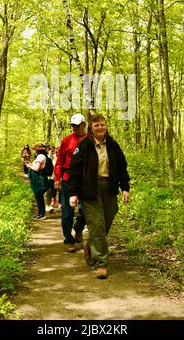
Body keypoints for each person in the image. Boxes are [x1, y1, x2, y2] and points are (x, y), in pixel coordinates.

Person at [68, 113, 130, 279]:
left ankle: (91, 245)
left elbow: (122, 167)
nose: (100, 127)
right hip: (89, 191)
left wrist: (125, 188)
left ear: (106, 126)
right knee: (96, 224)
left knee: (107, 220)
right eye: (96, 125)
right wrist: (73, 193)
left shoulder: (113, 145)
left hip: (109, 188)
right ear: (91, 128)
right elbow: (74, 170)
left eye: (102, 124)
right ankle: (101, 263)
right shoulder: (84, 146)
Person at [54, 113, 87, 253]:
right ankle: (68, 239)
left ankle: (78, 228)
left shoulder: (89, 140)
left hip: (85, 179)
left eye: (77, 125)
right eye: (73, 125)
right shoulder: (67, 140)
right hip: (68, 178)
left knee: (85, 209)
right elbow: (59, 161)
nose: (74, 128)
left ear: (84, 125)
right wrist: (57, 178)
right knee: (67, 211)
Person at [27, 143, 49, 220]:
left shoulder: (40, 156)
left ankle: (41, 214)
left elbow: (36, 168)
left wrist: (30, 166)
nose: (34, 151)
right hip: (40, 179)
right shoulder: (42, 156)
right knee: (38, 197)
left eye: (35, 149)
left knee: (39, 196)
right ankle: (40, 213)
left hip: (39, 180)